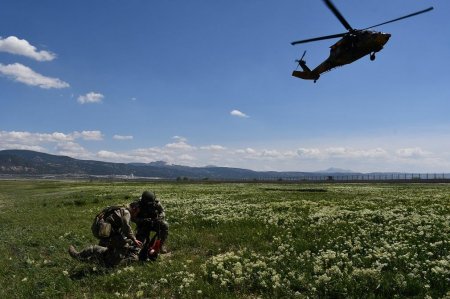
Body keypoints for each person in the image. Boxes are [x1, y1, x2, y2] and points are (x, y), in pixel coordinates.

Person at [68, 203, 143, 267]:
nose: (136, 215)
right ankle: (81, 255)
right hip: (106, 231)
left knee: (117, 245)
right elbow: (126, 227)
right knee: (123, 246)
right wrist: (134, 239)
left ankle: (96, 257)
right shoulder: (126, 212)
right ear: (134, 208)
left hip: (103, 229)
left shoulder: (121, 208)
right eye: (137, 212)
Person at [132, 191, 169, 255]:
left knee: (165, 225)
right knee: (141, 245)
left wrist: (159, 217)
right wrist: (143, 220)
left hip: (154, 223)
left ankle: (160, 245)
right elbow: (133, 218)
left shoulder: (156, 203)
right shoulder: (137, 204)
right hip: (143, 225)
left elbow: (162, 212)